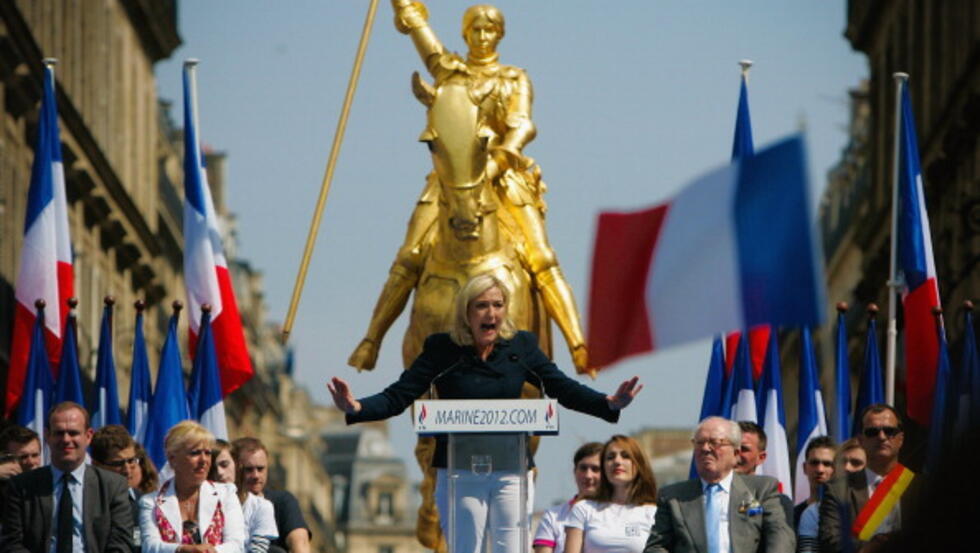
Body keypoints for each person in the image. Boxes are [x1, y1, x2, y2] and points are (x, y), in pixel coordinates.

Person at [351, 1, 589, 373]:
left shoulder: (513, 79)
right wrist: (404, 8)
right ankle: (371, 340)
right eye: (475, 30)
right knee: (410, 255)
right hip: (450, 180)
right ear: (465, 34)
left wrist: (500, 159)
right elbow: (419, 32)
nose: (482, 37)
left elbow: (523, 125)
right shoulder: (451, 74)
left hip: (502, 175)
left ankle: (578, 344)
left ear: (500, 34)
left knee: (541, 257)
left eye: (490, 30)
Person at [330, 273, 642, 553]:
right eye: (481, 306)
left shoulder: (521, 346)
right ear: (466, 312)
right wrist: (357, 407)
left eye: (497, 304)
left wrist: (608, 403)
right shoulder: (443, 349)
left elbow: (561, 387)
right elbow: (400, 395)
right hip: (460, 471)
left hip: (511, 468)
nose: (491, 313)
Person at [644, 417, 795, 553]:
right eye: (699, 443)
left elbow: (780, 535)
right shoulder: (673, 497)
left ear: (735, 453)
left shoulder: (761, 490)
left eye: (715, 443)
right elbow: (656, 547)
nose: (705, 448)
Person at [1, 401, 134, 553]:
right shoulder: (21, 486)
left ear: (88, 436)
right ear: (47, 436)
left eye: (73, 433)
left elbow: (122, 543)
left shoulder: (113, 486)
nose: (66, 439)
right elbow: (12, 543)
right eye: (59, 433)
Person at [818, 404, 921, 553]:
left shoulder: (922, 487)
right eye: (872, 432)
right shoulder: (837, 489)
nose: (882, 437)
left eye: (889, 431)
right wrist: (869, 548)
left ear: (901, 439)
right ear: (861, 440)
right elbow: (830, 540)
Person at [139, 420, 245, 553]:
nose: (204, 460)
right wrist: (182, 550)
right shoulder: (151, 502)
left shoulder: (226, 494)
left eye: (207, 453)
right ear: (172, 459)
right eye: (195, 453)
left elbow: (237, 545)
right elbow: (149, 546)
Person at [564, 435, 658, 553]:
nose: (617, 461)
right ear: (603, 467)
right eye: (610, 457)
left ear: (638, 464)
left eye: (625, 456)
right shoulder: (584, 508)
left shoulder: (653, 512)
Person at [232, 437, 311, 553]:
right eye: (248, 470)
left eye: (260, 469)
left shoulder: (282, 501)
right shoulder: (223, 502)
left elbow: (300, 542)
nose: (256, 475)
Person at [533, 442, 603, 553]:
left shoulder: (618, 513)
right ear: (574, 472)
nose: (588, 475)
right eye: (583, 468)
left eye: (595, 469)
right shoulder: (553, 517)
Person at [211, 439, 279, 553]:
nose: (219, 472)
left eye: (225, 465)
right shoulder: (198, 501)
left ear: (237, 466)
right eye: (249, 469)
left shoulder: (261, 507)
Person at [91, 424, 149, 552]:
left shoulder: (145, 502)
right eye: (118, 463)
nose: (127, 470)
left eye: (131, 461)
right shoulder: (86, 502)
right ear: (97, 465)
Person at [735, 422, 794, 529]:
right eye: (732, 447)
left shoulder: (778, 502)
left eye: (744, 449)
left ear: (761, 457)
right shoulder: (708, 496)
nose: (736, 454)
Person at [794, 436, 835, 552]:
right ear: (804, 468)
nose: (820, 469)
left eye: (827, 464)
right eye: (814, 463)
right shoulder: (792, 516)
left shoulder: (845, 512)